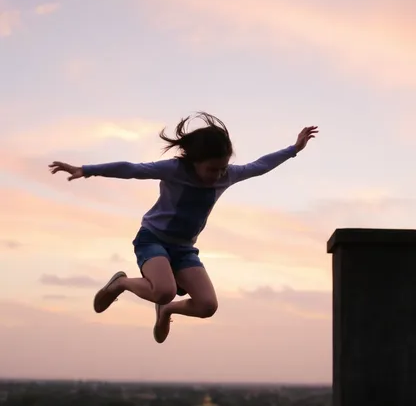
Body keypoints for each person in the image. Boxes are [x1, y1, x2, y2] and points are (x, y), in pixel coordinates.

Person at [49, 113, 318, 344]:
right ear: (194, 161)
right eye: (212, 169)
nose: (218, 174)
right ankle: (120, 283)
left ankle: (166, 312)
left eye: (222, 168)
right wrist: (87, 169)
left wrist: (294, 148)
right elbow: (131, 168)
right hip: (152, 239)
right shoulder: (174, 170)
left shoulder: (228, 175)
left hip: (184, 249)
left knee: (207, 306)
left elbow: (259, 166)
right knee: (163, 289)